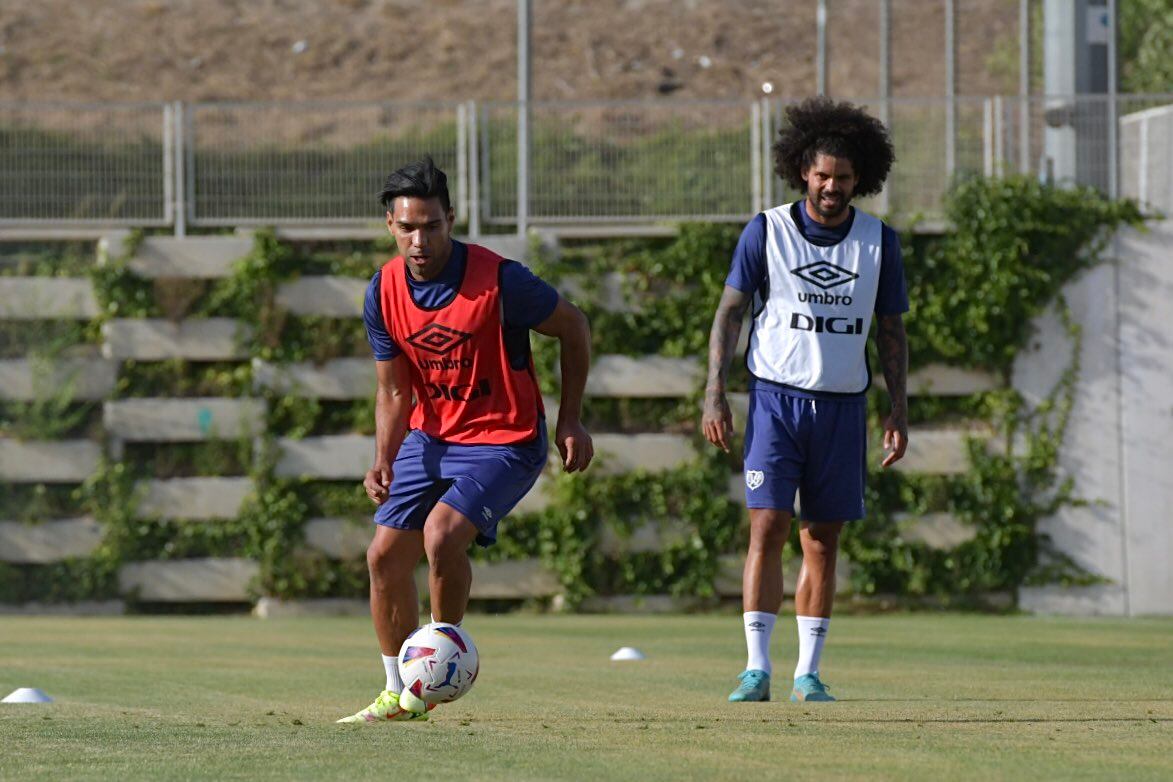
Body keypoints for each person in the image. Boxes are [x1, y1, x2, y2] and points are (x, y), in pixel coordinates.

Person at [338, 157, 593, 724]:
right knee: (382, 558)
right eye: (407, 228)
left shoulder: (503, 281)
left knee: (441, 533)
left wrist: (571, 419)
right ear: (390, 226)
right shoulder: (383, 291)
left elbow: (573, 327)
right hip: (430, 438)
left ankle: (435, 675)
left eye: (431, 225)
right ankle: (397, 693)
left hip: (507, 437)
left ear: (451, 219)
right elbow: (394, 392)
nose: (419, 240)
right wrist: (381, 457)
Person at [701, 97, 908, 704]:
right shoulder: (767, 229)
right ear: (802, 173)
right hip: (775, 402)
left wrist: (900, 408)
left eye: (844, 178)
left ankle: (808, 674)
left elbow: (892, 331)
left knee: (822, 539)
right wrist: (715, 394)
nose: (832, 187)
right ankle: (756, 668)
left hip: (843, 408)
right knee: (766, 525)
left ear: (859, 179)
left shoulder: (878, 242)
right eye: (822, 176)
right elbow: (730, 313)